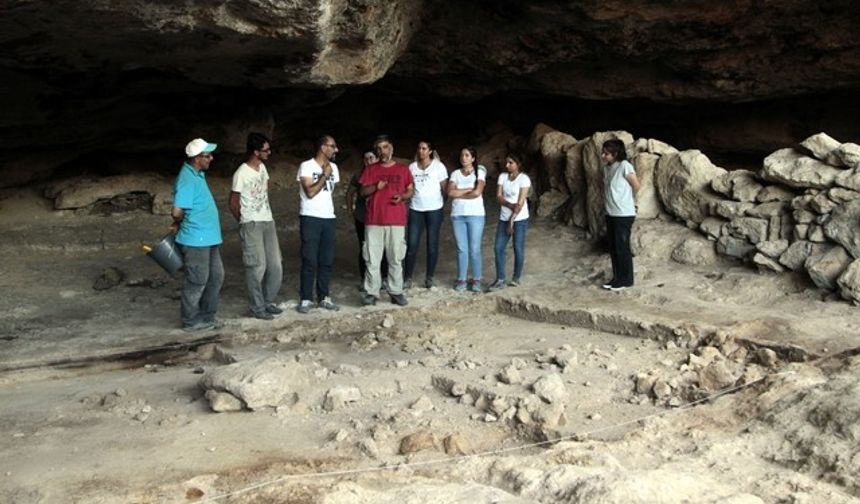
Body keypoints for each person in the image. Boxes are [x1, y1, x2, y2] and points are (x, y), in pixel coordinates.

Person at [171, 138, 224, 331]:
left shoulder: (197, 175)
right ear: (196, 158)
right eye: (207, 155)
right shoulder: (187, 178)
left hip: (207, 238)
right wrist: (181, 222)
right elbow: (177, 211)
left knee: (216, 277)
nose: (211, 158)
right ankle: (190, 320)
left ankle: (207, 316)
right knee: (197, 280)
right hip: (196, 239)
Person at [229, 132, 283, 321]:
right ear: (255, 152)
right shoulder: (241, 173)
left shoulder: (262, 168)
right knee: (256, 266)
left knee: (275, 264)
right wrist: (244, 221)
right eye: (265, 150)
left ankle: (268, 301)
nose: (269, 153)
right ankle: (256, 306)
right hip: (251, 222)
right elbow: (233, 202)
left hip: (267, 220)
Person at [359, 135, 414, 306]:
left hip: (396, 219)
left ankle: (396, 291)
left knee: (396, 257)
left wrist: (403, 197)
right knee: (372, 258)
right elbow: (362, 192)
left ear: (391, 148)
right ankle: (371, 292)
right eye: (379, 149)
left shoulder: (403, 169)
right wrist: (376, 187)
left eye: (385, 147)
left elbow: (410, 190)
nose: (382, 152)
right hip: (374, 219)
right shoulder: (370, 170)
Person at [296, 135, 341, 314]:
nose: (335, 149)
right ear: (323, 148)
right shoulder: (306, 166)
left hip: (328, 217)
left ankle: (324, 296)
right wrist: (324, 175)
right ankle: (306, 298)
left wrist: (328, 173)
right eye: (332, 146)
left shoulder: (334, 168)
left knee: (327, 259)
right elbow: (311, 192)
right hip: (310, 217)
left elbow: (329, 193)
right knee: (309, 259)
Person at [404, 140, 448, 289]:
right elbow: (408, 187)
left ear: (430, 151)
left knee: (432, 245)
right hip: (416, 209)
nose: (421, 151)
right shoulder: (412, 167)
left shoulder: (438, 166)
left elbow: (445, 188)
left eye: (424, 148)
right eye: (419, 148)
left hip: (434, 209)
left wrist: (441, 204)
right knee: (412, 244)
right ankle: (407, 277)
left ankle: (429, 277)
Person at [600, 139, 641, 292]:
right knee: (614, 247)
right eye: (603, 152)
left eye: (607, 153)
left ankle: (626, 280)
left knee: (622, 247)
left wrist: (629, 201)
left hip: (623, 214)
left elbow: (636, 185)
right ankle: (617, 278)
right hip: (610, 213)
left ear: (616, 154)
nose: (603, 155)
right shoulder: (607, 168)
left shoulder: (625, 166)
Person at [346, 151, 388, 291]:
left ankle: (383, 278)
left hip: (380, 217)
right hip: (362, 216)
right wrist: (351, 211)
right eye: (366, 158)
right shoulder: (359, 175)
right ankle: (365, 278)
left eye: (372, 157)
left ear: (376, 158)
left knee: (382, 247)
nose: (369, 160)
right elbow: (350, 193)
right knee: (365, 247)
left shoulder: (383, 173)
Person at [489, 153, 531, 291]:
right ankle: (500, 278)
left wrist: (511, 221)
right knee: (498, 247)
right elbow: (498, 197)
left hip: (519, 219)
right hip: (504, 216)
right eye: (506, 162)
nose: (507, 165)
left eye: (510, 163)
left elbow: (520, 203)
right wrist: (509, 205)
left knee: (518, 248)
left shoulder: (524, 179)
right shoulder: (502, 177)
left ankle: (516, 277)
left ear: (518, 164)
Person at [447, 145, 487, 293]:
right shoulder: (455, 173)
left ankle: (477, 279)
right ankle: (462, 280)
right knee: (461, 249)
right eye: (462, 155)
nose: (463, 158)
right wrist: (467, 190)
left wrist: (459, 193)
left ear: (473, 158)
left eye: (467, 155)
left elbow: (478, 192)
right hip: (458, 215)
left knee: (474, 249)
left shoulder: (480, 171)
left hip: (475, 214)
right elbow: (450, 192)